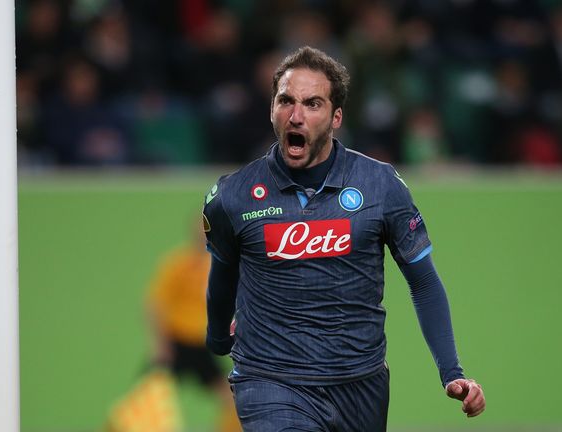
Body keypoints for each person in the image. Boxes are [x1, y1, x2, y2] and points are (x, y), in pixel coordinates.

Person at [202, 46, 485, 431]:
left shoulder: (380, 186)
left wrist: (451, 371)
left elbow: (423, 281)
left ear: (336, 117)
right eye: (285, 101)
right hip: (269, 380)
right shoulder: (232, 196)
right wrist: (218, 337)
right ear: (272, 109)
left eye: (312, 103)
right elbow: (223, 271)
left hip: (360, 385)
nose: (296, 115)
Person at [145, 223, 241, 432]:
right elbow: (155, 304)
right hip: (176, 342)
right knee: (147, 399)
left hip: (201, 346)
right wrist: (161, 344)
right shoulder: (178, 263)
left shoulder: (221, 264)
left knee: (233, 397)